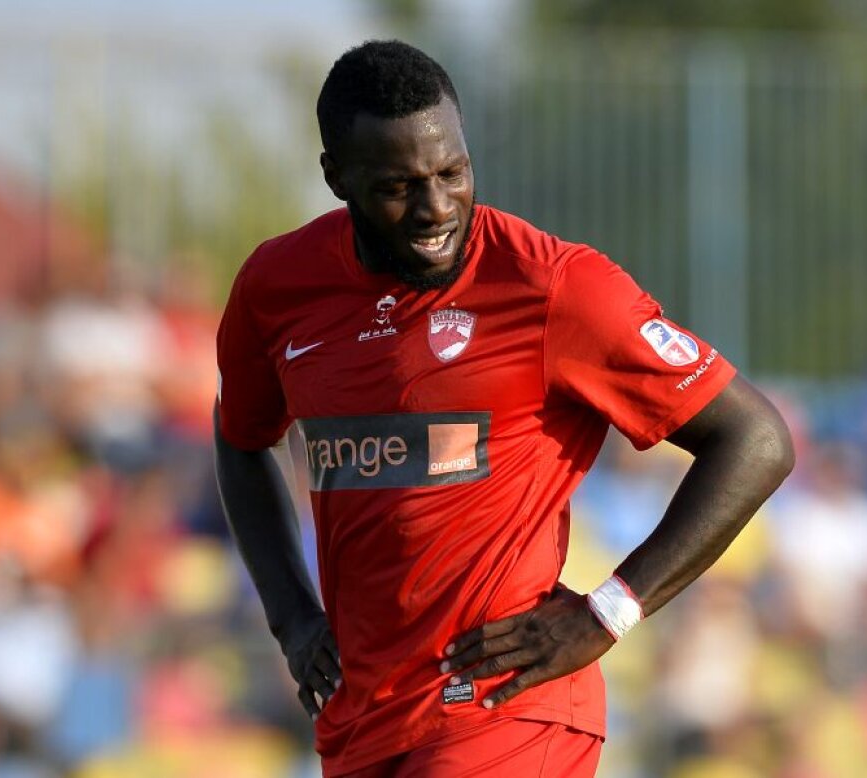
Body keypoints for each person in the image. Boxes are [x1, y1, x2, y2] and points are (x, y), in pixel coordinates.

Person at [214, 40, 794, 778]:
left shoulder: (552, 286)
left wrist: (609, 611)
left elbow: (756, 438)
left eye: (452, 173)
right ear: (337, 177)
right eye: (398, 186)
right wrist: (292, 617)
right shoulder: (277, 287)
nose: (435, 208)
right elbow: (240, 438)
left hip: (508, 708)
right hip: (362, 718)